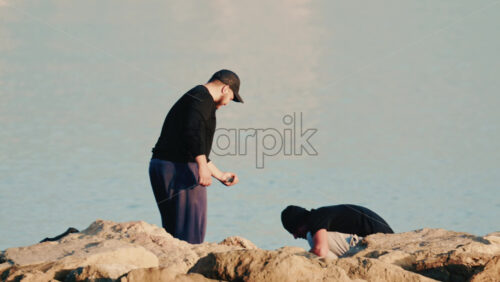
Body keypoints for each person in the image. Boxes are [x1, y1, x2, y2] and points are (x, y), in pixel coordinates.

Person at [149, 69, 243, 244]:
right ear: (225, 89)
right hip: (179, 169)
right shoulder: (203, 99)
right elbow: (192, 133)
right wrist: (201, 167)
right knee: (190, 233)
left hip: (164, 165)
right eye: (232, 97)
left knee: (174, 233)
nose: (228, 102)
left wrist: (220, 174)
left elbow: (193, 145)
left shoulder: (196, 97)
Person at [281, 204, 394, 258]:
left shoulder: (315, 218)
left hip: (380, 245)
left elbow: (320, 250)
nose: (295, 236)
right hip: (385, 241)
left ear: (301, 222)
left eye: (294, 230)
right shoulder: (321, 215)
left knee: (313, 239)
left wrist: (299, 260)